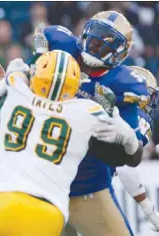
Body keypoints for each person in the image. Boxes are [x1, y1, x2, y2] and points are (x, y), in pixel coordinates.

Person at [0, 50, 140, 236]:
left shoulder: (18, 88)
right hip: (50, 213)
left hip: (5, 203)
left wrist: (8, 79)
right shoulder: (86, 112)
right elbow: (130, 159)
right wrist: (130, 139)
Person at [31, 11, 147, 236]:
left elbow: (134, 158)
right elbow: (39, 34)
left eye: (104, 45)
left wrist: (130, 139)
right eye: (94, 39)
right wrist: (35, 60)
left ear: (120, 53)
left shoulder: (124, 85)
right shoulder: (61, 46)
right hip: (42, 182)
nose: (95, 47)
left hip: (87, 186)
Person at [110, 66, 159, 232]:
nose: (151, 99)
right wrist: (149, 210)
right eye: (149, 93)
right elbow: (124, 167)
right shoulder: (137, 117)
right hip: (88, 185)